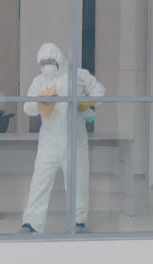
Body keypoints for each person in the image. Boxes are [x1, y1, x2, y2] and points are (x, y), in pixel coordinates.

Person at [18, 43, 105, 234]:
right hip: (49, 142)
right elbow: (27, 107)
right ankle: (31, 223)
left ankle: (78, 222)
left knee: (78, 182)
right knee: (40, 182)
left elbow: (100, 91)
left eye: (50, 61)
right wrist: (42, 103)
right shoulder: (39, 81)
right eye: (44, 62)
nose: (48, 65)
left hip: (76, 141)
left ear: (59, 58)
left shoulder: (79, 76)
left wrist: (86, 101)